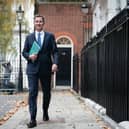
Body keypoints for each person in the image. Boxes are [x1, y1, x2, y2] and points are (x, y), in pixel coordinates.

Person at [22, 15, 58, 128]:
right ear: (34, 23)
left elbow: (55, 51)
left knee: (46, 92)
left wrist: (55, 63)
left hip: (46, 68)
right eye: (36, 21)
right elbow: (24, 52)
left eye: (40, 21)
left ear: (43, 23)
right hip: (32, 68)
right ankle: (32, 119)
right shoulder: (29, 37)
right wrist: (29, 56)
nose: (38, 23)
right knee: (33, 92)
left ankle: (45, 111)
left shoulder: (49, 36)